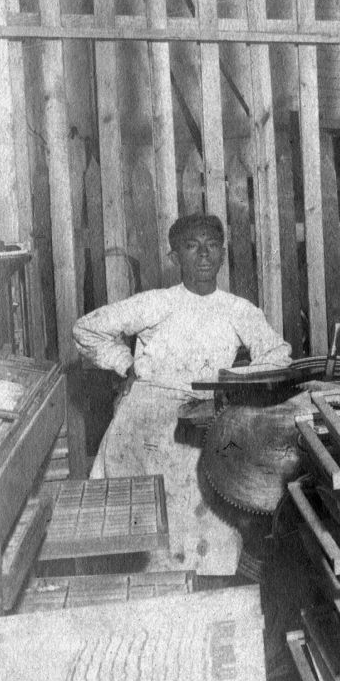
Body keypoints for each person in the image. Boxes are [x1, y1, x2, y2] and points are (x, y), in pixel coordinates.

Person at [73, 213, 291, 578]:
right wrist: (126, 366)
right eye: (192, 247)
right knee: (140, 523)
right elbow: (87, 329)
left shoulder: (239, 309)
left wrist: (230, 381)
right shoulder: (156, 303)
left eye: (212, 246)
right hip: (148, 413)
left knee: (216, 486)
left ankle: (208, 577)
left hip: (204, 411)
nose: (203, 255)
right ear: (175, 257)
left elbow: (278, 354)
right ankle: (143, 578)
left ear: (223, 254)